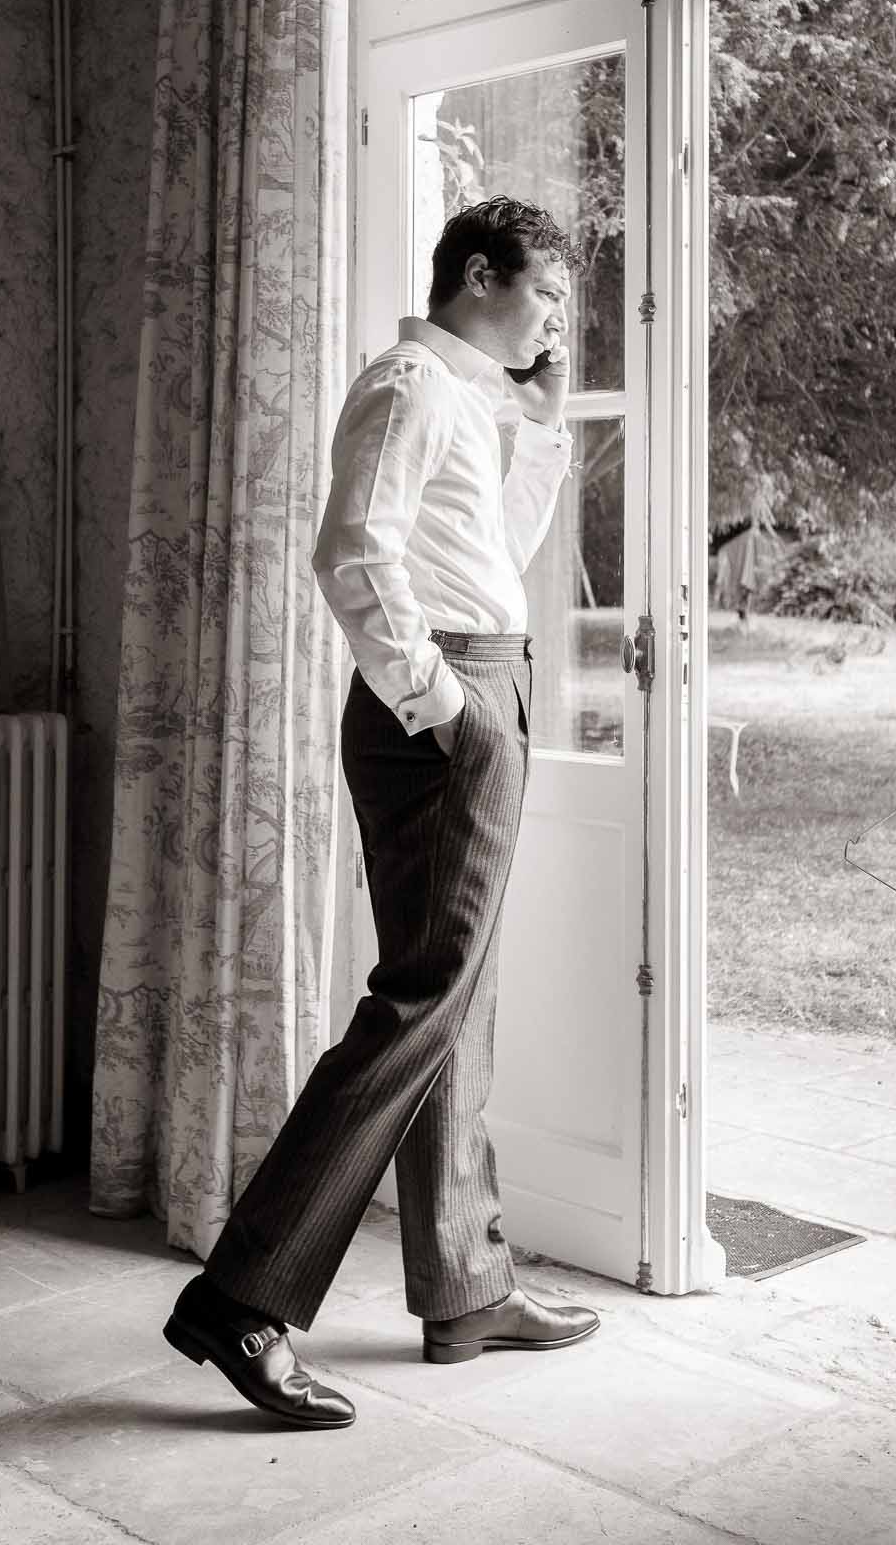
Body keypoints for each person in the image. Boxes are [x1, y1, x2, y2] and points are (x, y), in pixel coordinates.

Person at [164, 196, 601, 1428]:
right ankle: (241, 1297)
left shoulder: (472, 395)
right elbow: (354, 552)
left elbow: (489, 557)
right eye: (549, 292)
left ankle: (464, 1283)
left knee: (455, 995)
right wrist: (443, 704)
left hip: (483, 676)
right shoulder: (408, 380)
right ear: (480, 272)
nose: (559, 318)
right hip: (446, 704)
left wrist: (548, 428)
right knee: (419, 1000)